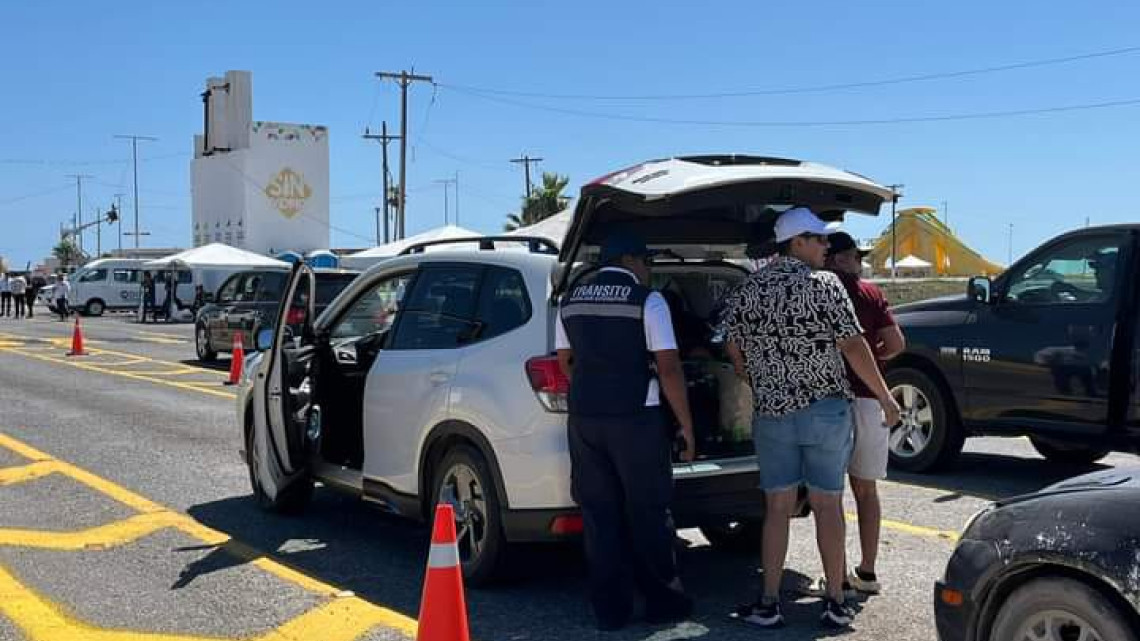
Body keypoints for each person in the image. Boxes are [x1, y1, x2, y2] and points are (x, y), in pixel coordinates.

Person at [721, 208, 901, 630]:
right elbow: (855, 346)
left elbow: (732, 347)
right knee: (827, 504)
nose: (826, 246)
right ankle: (836, 601)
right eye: (819, 240)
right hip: (825, 411)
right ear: (796, 242)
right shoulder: (825, 286)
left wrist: (758, 376)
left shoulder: (751, 287)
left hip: (773, 414)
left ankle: (768, 603)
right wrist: (883, 396)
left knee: (777, 507)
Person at [556, 231, 697, 631]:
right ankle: (663, 602)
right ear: (631, 261)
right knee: (648, 511)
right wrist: (686, 425)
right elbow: (668, 367)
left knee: (599, 515)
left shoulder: (571, 300)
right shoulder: (647, 301)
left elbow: (566, 360)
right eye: (646, 261)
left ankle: (610, 610)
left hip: (585, 417)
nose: (649, 269)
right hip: (637, 417)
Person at [824, 231, 906, 595]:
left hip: (829, 399)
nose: (860, 262)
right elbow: (897, 344)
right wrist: (873, 363)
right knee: (867, 490)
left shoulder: (820, 290)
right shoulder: (871, 293)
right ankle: (868, 571)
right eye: (856, 255)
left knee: (831, 493)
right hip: (871, 398)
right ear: (840, 258)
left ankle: (837, 573)